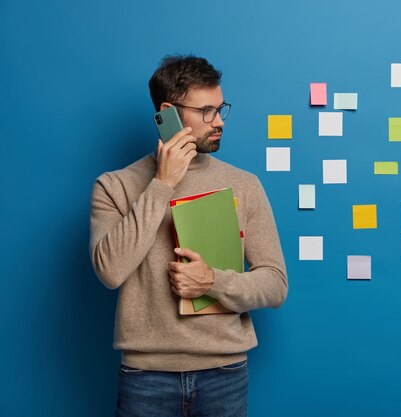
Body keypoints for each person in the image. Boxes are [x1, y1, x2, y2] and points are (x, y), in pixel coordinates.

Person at [89, 55, 288, 417]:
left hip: (225, 373)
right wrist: (162, 184)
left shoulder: (245, 185)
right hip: (145, 376)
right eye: (208, 111)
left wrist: (212, 281)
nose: (220, 121)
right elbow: (110, 271)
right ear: (169, 113)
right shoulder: (114, 186)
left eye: (221, 108)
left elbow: (275, 285)